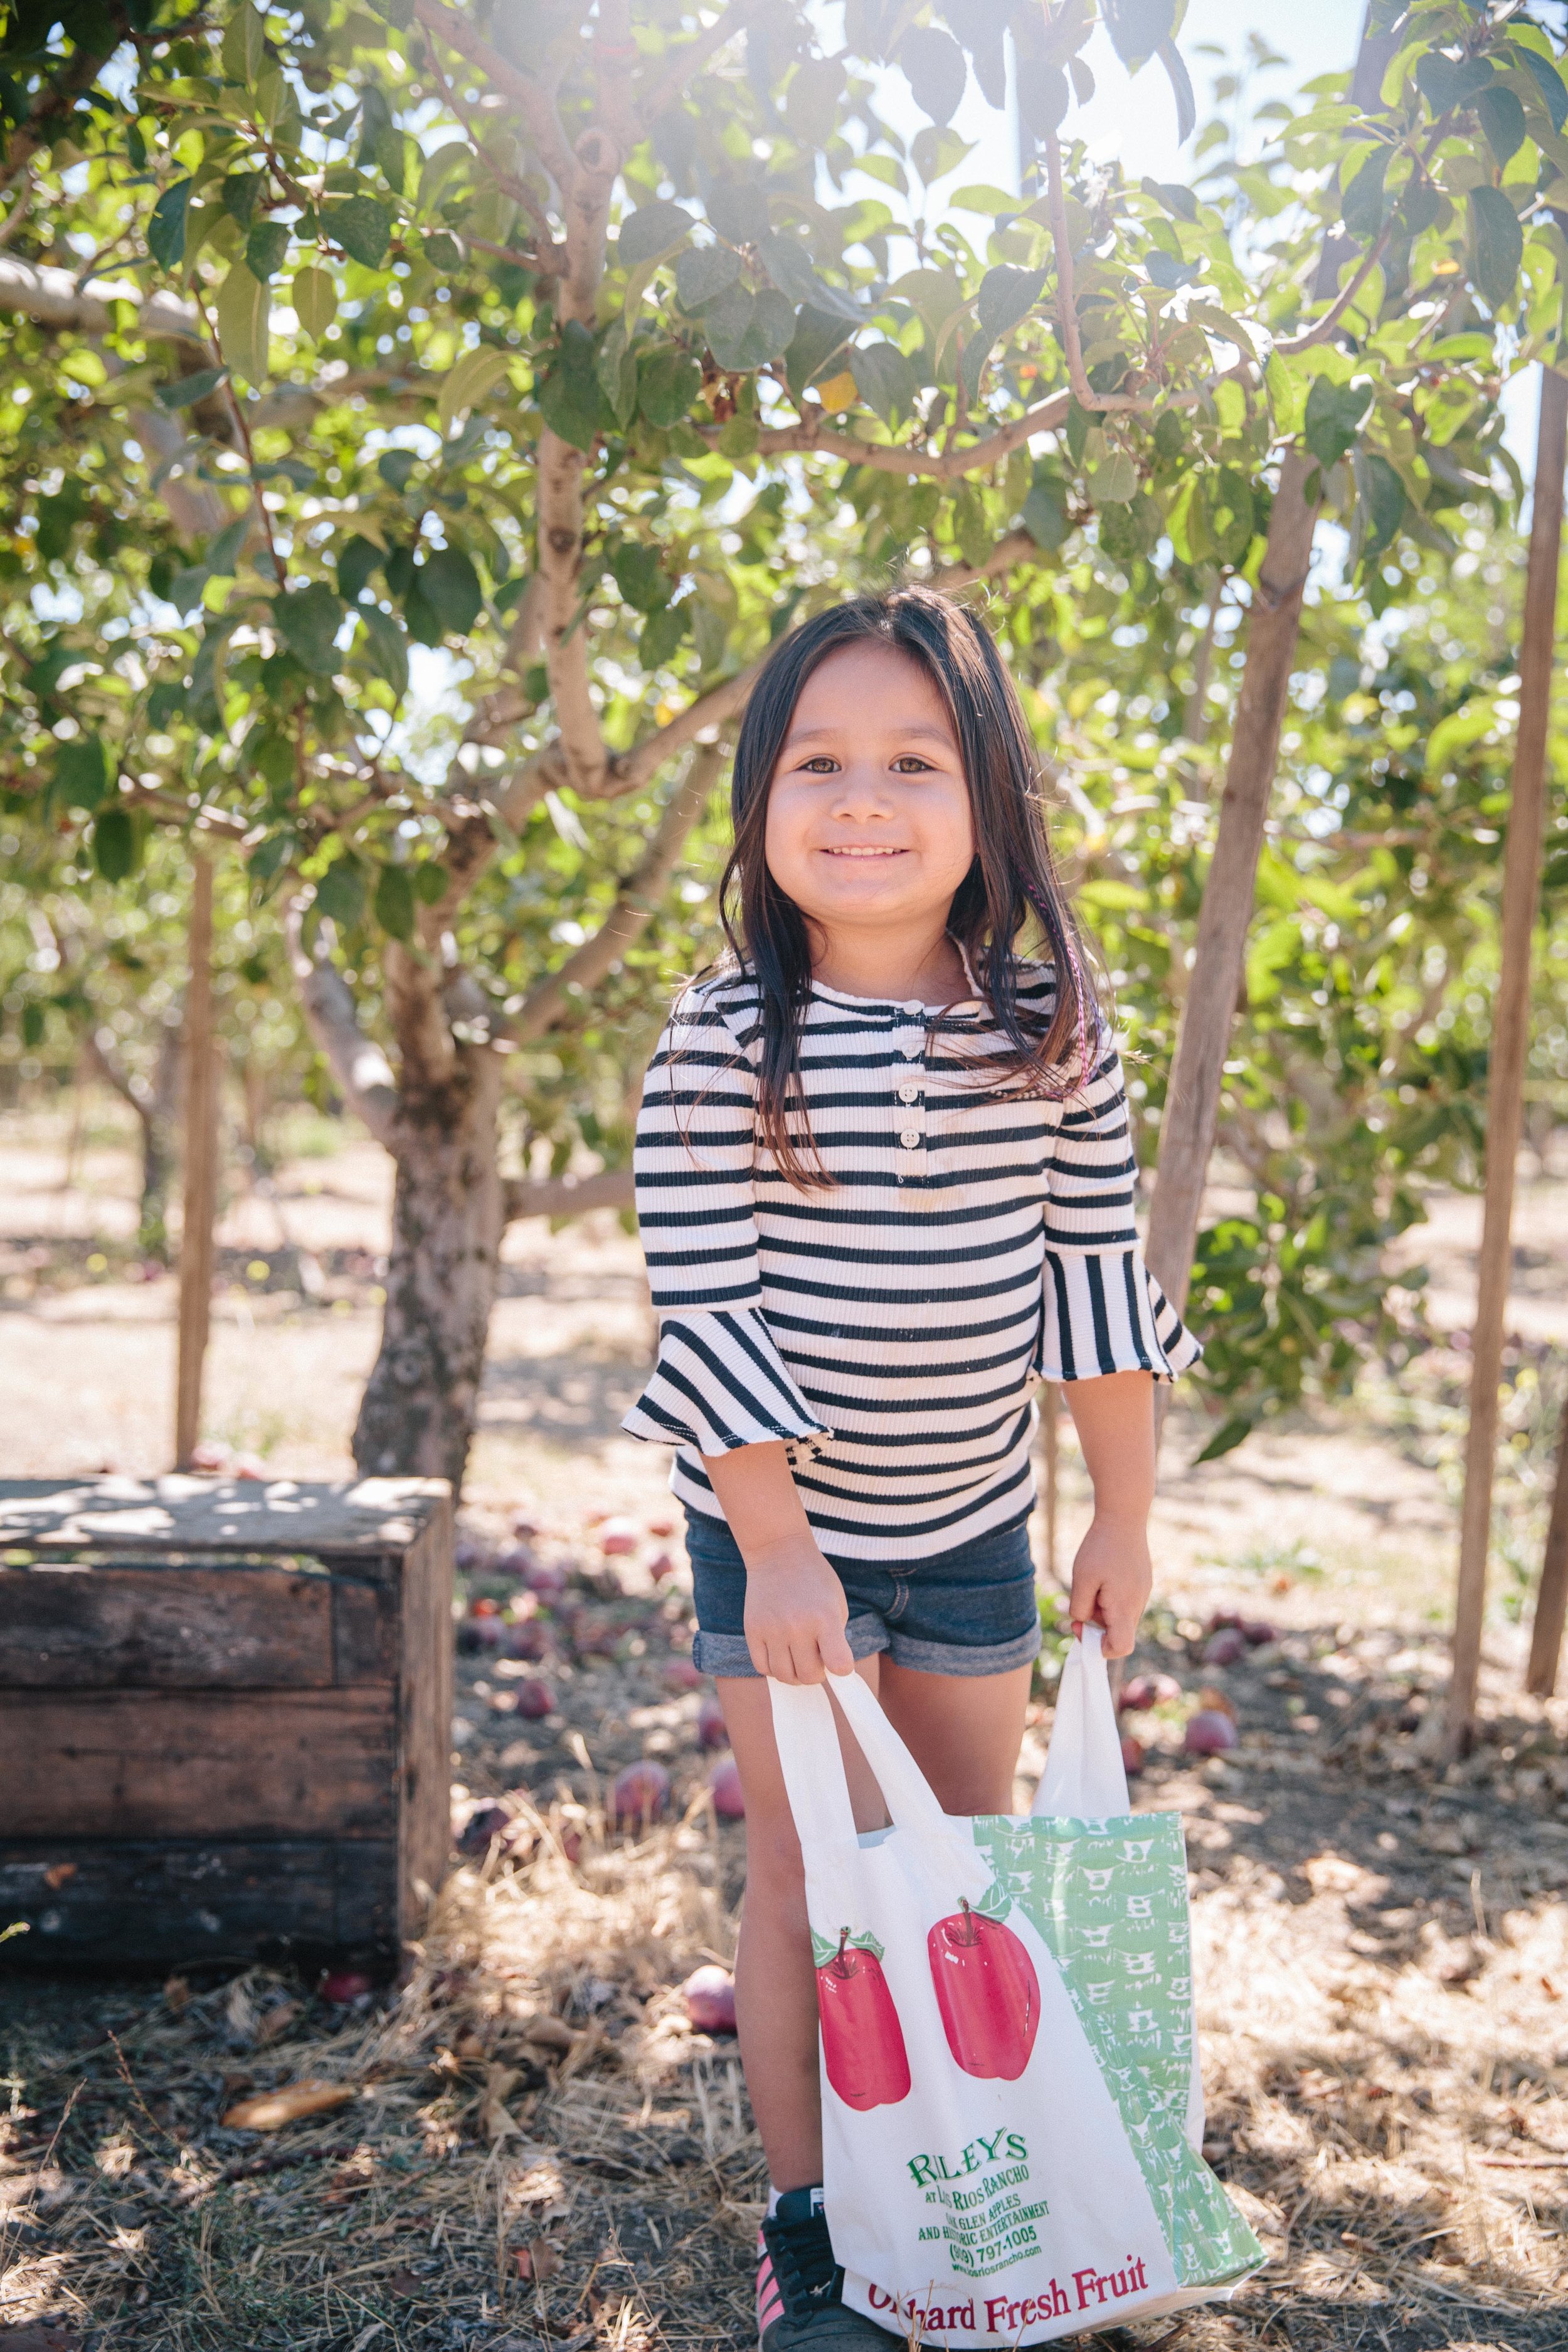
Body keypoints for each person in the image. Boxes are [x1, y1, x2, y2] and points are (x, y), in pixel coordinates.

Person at [621, 588, 1200, 2352]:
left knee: (959, 1860)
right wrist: (778, 1548)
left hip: (969, 1527)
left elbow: (1091, 1282)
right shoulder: (723, 1039)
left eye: (909, 759)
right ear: (758, 800)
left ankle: (970, 2177)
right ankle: (814, 2229)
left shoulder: (1046, 1025)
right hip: (775, 1537)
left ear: (986, 799)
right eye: (816, 760)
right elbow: (709, 1306)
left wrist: (1120, 1510)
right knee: (809, 1876)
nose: (859, 797)